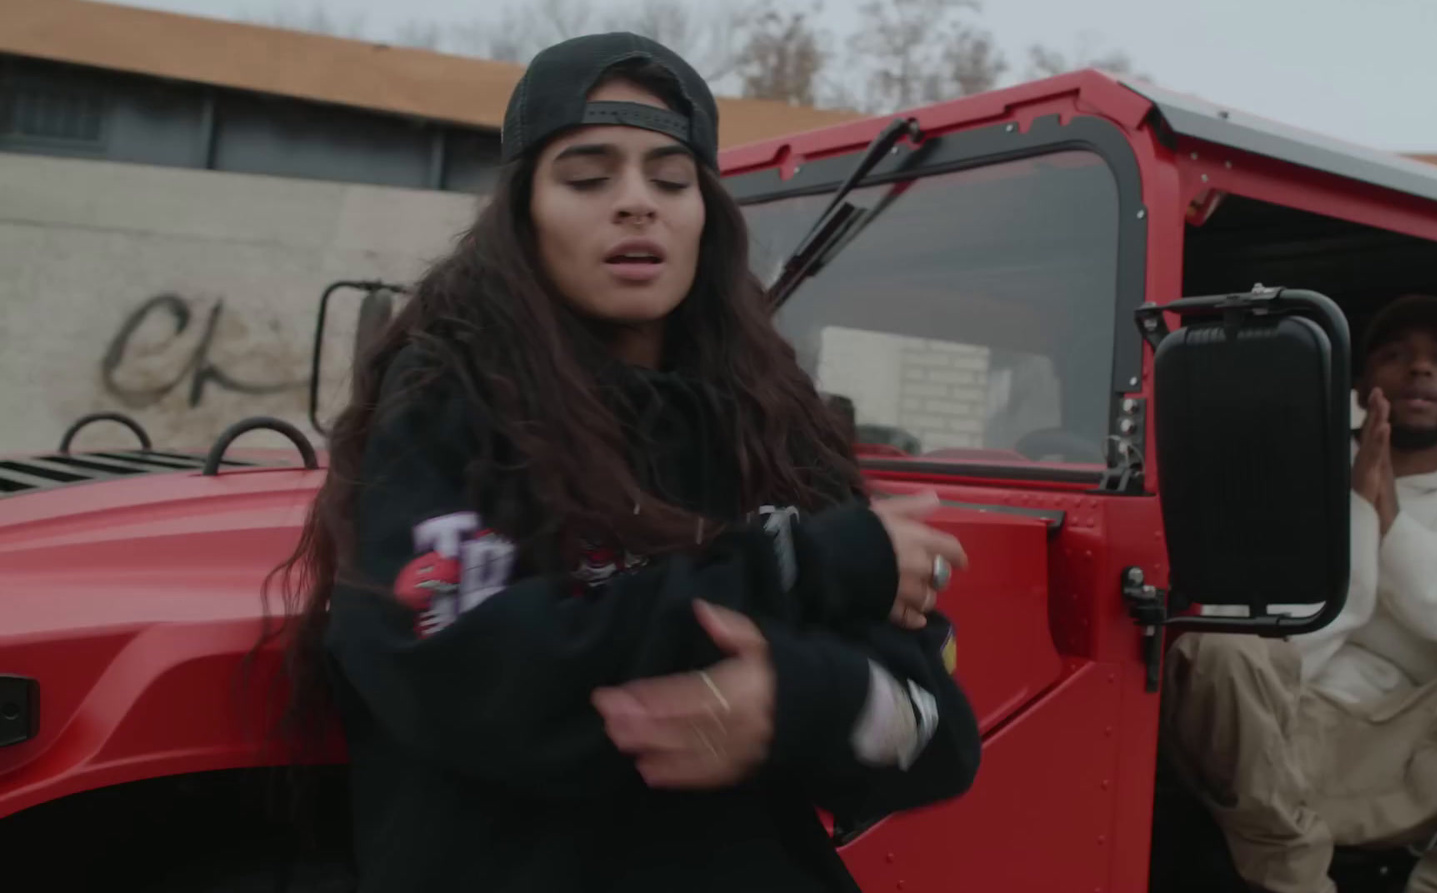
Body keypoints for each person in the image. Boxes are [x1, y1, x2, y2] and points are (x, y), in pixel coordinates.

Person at [276, 33, 979, 893]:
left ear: (705, 213)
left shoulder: (775, 425)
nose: (636, 204)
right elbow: (477, 671)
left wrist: (802, 702)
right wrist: (793, 568)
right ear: (523, 212)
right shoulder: (448, 406)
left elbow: (937, 734)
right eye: (587, 176)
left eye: (672, 179)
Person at [1162, 294, 1437, 893]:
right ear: (1360, 380)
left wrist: (1398, 537)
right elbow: (1237, 651)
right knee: (1220, 649)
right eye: (1395, 355)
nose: (1419, 369)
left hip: (1412, 755)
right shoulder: (1290, 479)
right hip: (1276, 749)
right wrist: (1360, 519)